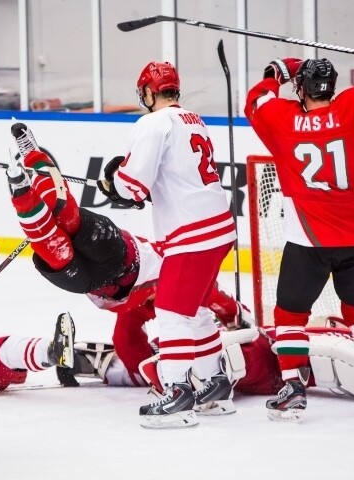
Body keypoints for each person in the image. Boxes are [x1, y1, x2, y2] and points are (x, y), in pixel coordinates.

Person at [7, 108, 236, 428]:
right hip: (121, 260)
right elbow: (205, 301)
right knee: (67, 223)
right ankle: (32, 157)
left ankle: (21, 192)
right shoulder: (170, 271)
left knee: (53, 249)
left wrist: (229, 312)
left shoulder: (176, 279)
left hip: (100, 279)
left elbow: (137, 343)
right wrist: (231, 310)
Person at [244, 45, 354, 421]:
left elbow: (256, 102)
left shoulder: (282, 119)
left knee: (290, 313)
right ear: (332, 87)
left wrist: (275, 71)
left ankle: (292, 386)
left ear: (302, 90)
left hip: (310, 241)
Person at [95, 61, 237, 428]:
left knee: (172, 312)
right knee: (199, 308)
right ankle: (215, 383)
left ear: (147, 92)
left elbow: (133, 184)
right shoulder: (194, 120)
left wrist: (113, 180)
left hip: (192, 233)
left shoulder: (152, 123)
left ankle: (176, 393)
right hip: (219, 227)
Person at [65, 319, 354, 412]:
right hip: (247, 365)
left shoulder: (149, 359)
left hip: (254, 366)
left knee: (304, 343)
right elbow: (145, 363)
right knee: (307, 349)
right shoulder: (149, 365)